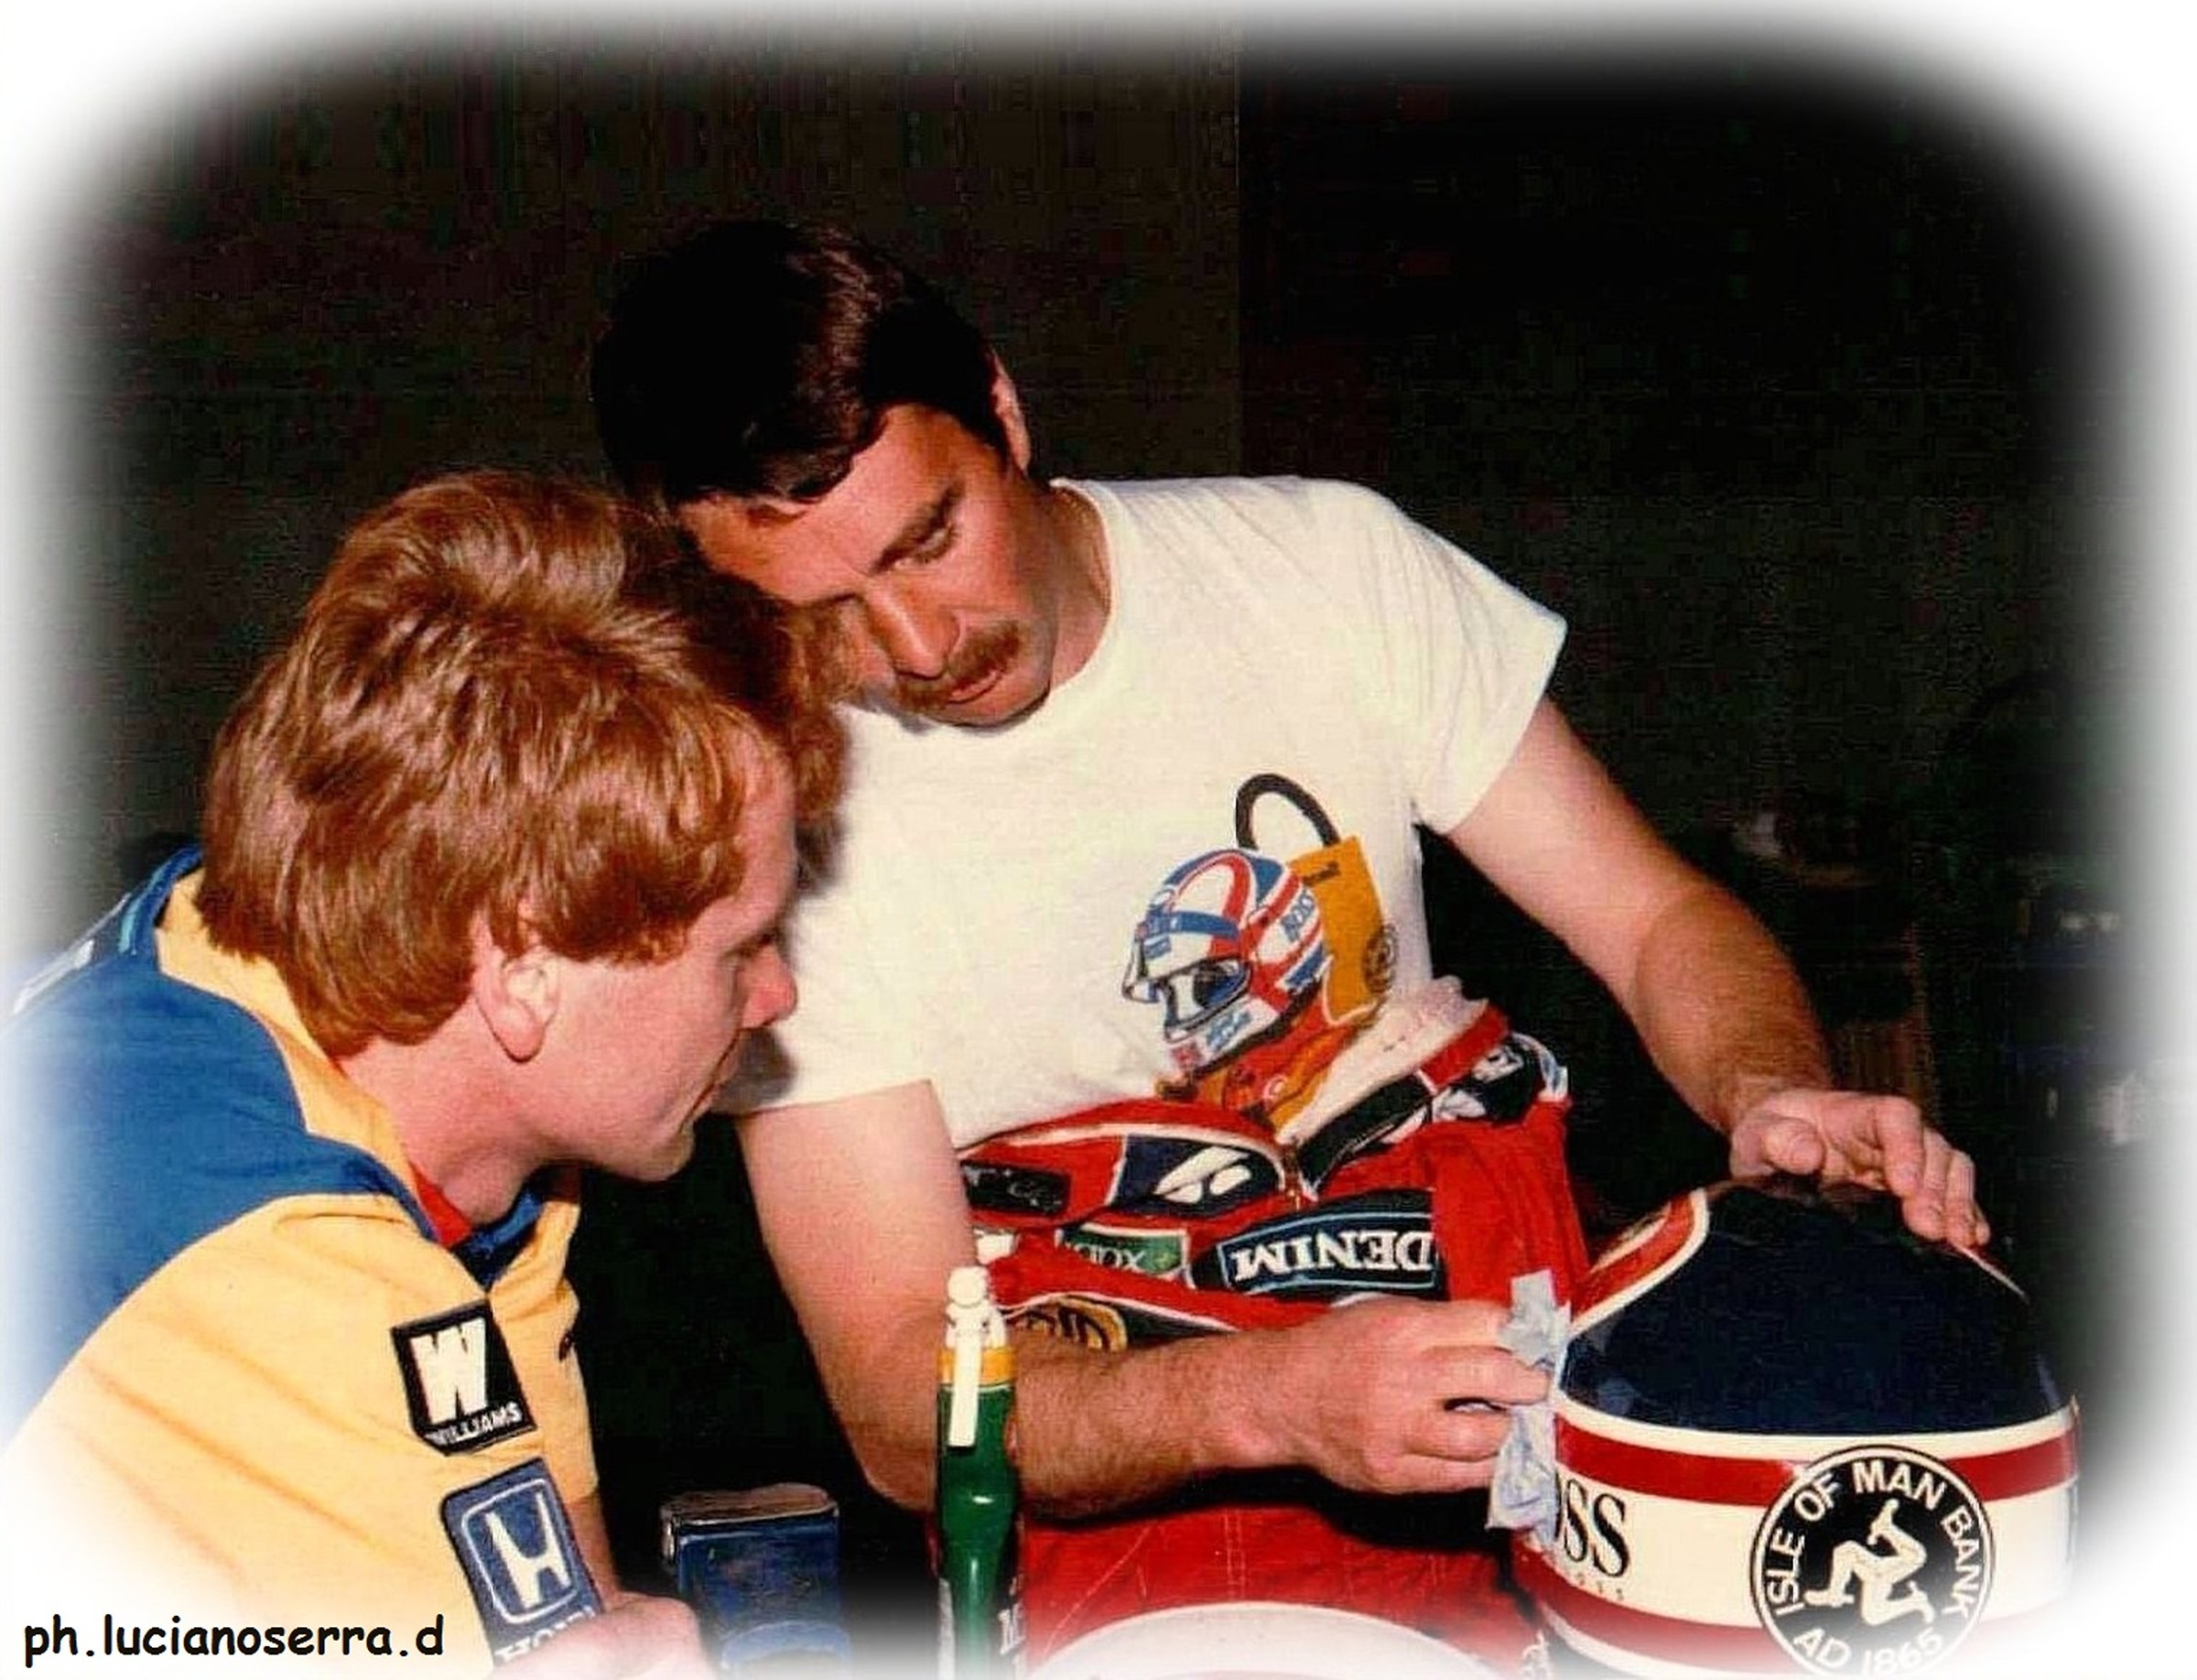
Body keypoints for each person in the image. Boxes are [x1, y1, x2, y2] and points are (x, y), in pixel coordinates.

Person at [589, 221, 1986, 1671]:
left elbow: (1655, 919)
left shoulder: (1326, 569)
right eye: (820, 616)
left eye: (929, 538)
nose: (920, 646)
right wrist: (1269, 1398)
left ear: (1001, 413)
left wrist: (1768, 1093)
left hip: (1495, 1435)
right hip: (1115, 1531)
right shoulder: (775, 821)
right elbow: (899, 1400)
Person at [1, 471, 840, 1677]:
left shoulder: (284, 961)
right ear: (523, 964)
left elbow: (563, 1594)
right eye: (740, 946)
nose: (776, 996)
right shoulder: (280, 1258)